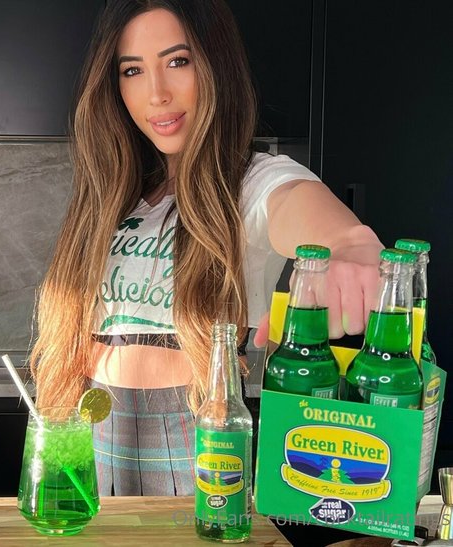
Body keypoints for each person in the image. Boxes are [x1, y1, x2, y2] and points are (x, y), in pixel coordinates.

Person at [30, 0, 383, 496]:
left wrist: (352, 244)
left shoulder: (251, 181)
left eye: (178, 61)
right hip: (94, 428)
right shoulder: (113, 195)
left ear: (216, 66)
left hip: (199, 430)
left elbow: (302, 209)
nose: (156, 93)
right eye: (133, 70)